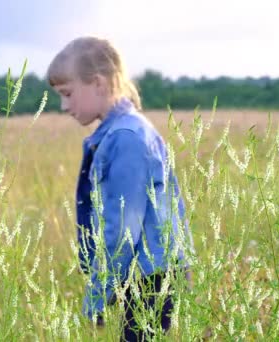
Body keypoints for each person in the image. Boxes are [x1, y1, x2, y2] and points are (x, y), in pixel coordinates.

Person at [47, 36, 194, 341]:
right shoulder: (122, 132)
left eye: (68, 94)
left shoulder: (126, 138)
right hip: (152, 272)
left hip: (153, 277)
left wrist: (98, 295)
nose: (63, 106)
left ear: (98, 83)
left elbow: (123, 229)